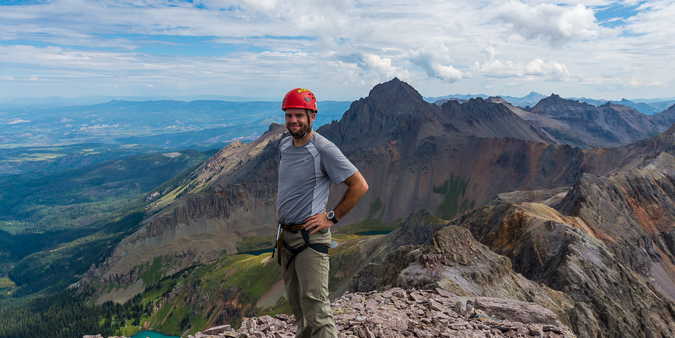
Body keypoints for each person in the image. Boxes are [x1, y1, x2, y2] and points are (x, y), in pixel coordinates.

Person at [275, 88, 368, 338]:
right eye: (289, 115)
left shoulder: (323, 148)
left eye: (299, 116)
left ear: (312, 116)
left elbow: (359, 185)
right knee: (298, 307)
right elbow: (290, 184)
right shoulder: (285, 145)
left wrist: (331, 217)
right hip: (287, 238)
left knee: (316, 310)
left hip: (310, 239)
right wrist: (281, 212)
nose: (293, 121)